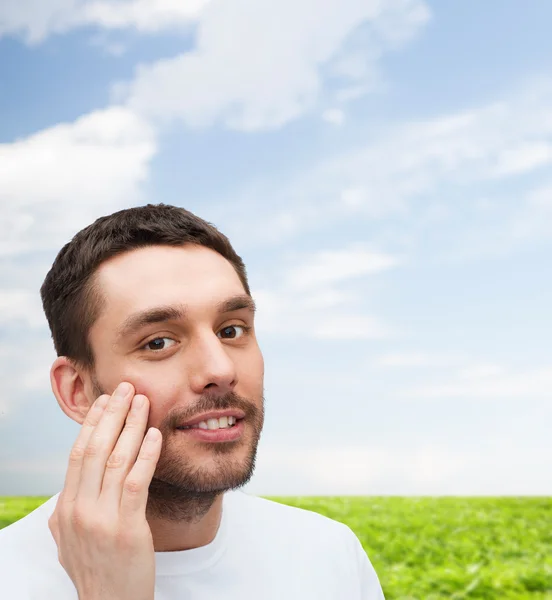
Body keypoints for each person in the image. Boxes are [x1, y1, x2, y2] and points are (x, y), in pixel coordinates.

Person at [0, 203, 385, 599]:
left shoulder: (329, 555)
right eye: (159, 342)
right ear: (77, 391)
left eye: (231, 330)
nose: (220, 369)